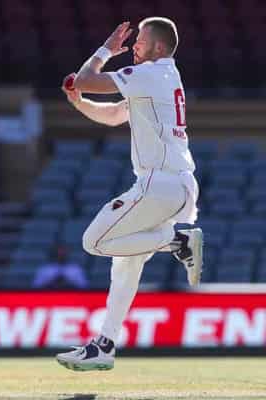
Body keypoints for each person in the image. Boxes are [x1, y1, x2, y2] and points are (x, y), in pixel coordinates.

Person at [56, 17, 203, 371]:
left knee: (95, 242)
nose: (134, 46)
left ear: (158, 47)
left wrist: (105, 49)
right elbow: (114, 114)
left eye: (140, 41)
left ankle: (175, 240)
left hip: (159, 185)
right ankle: (104, 345)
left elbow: (88, 78)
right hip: (177, 186)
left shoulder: (152, 74)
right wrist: (79, 102)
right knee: (125, 263)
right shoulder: (161, 79)